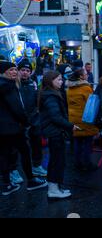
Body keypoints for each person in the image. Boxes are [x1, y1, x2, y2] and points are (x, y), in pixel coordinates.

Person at [0, 61, 47, 196]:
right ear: (3, 72)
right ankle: (31, 181)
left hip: (4, 128)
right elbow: (17, 108)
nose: (14, 72)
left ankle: (6, 184)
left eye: (15, 69)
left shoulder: (6, 84)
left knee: (4, 154)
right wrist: (25, 121)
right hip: (13, 127)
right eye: (11, 70)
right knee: (24, 152)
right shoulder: (8, 86)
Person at [40, 71, 80, 199]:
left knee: (57, 160)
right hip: (55, 132)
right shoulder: (51, 96)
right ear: (50, 81)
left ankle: (55, 188)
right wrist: (70, 125)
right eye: (58, 80)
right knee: (57, 161)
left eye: (61, 79)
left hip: (55, 132)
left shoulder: (51, 94)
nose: (61, 82)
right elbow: (55, 117)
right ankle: (53, 189)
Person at [17, 59, 47, 177]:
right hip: (19, 121)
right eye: (22, 70)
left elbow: (37, 101)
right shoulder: (14, 84)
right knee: (18, 148)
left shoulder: (33, 84)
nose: (25, 72)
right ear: (18, 71)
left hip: (34, 120)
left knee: (36, 145)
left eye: (27, 70)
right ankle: (14, 170)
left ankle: (37, 166)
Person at [67, 67, 99, 171]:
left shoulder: (69, 88)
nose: (87, 75)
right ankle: (86, 164)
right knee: (87, 143)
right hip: (85, 119)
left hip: (73, 119)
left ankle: (77, 163)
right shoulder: (85, 88)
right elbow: (92, 104)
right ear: (81, 76)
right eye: (86, 74)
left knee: (77, 142)